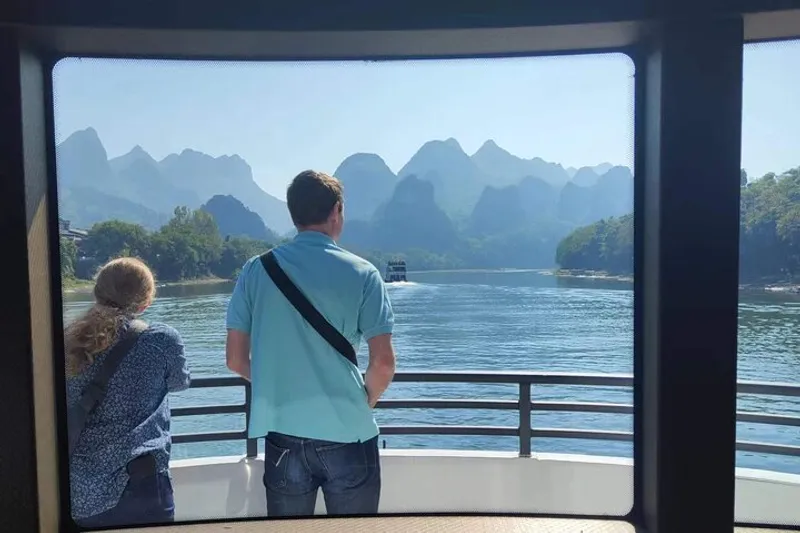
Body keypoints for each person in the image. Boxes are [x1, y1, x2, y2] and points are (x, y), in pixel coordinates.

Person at [226, 169, 396, 517]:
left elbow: (235, 360)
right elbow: (382, 364)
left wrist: (281, 385)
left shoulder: (255, 271)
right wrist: (365, 400)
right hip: (349, 432)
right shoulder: (364, 273)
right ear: (336, 211)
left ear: (293, 214)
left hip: (283, 436)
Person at [65, 257, 191, 527]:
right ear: (145, 302)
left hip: (79, 491)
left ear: (97, 293)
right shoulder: (160, 339)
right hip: (140, 483)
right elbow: (180, 382)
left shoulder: (67, 340)